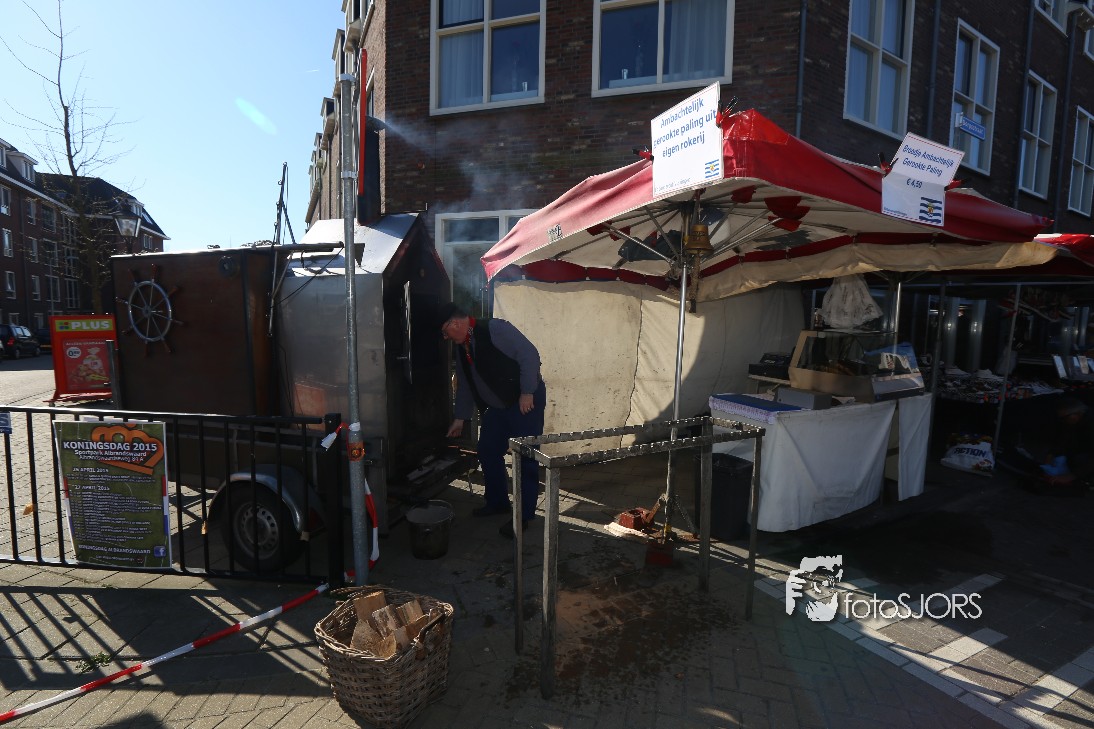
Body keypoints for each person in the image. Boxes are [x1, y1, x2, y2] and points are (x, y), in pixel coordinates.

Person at [440, 302, 546, 538]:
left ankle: (523, 515)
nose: (446, 337)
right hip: (498, 408)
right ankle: (498, 502)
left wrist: (527, 391)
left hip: (524, 401)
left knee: (526, 457)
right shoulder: (462, 347)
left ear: (455, 324)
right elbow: (466, 385)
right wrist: (460, 418)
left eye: (445, 332)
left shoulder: (496, 329)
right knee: (487, 450)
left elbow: (529, 355)